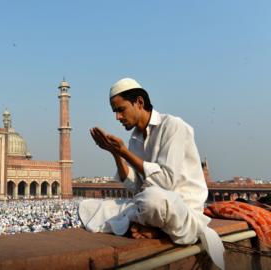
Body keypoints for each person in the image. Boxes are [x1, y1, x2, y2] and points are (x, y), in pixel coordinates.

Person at [79, 78, 224, 269]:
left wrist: (124, 152)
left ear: (139, 102)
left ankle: (157, 229)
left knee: (152, 200)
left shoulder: (172, 126)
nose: (118, 117)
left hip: (179, 206)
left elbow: (166, 181)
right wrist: (116, 154)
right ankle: (152, 226)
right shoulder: (135, 139)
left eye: (121, 110)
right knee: (88, 206)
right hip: (150, 202)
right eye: (115, 112)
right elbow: (137, 187)